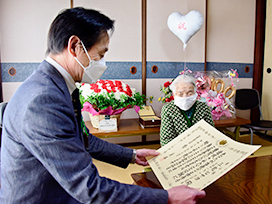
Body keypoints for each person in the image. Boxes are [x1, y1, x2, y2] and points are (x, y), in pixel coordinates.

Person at [0, 7, 206, 204]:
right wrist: (166, 198)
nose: (102, 62)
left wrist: (133, 155)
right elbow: (89, 188)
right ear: (74, 47)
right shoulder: (43, 100)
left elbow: (81, 139)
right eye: (100, 54)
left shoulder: (53, 85)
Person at [160, 74, 214, 146]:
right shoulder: (168, 109)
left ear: (195, 93)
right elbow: (166, 139)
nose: (185, 97)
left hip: (201, 148)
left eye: (189, 93)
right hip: (177, 151)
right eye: (181, 94)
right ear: (174, 94)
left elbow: (211, 132)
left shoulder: (203, 107)